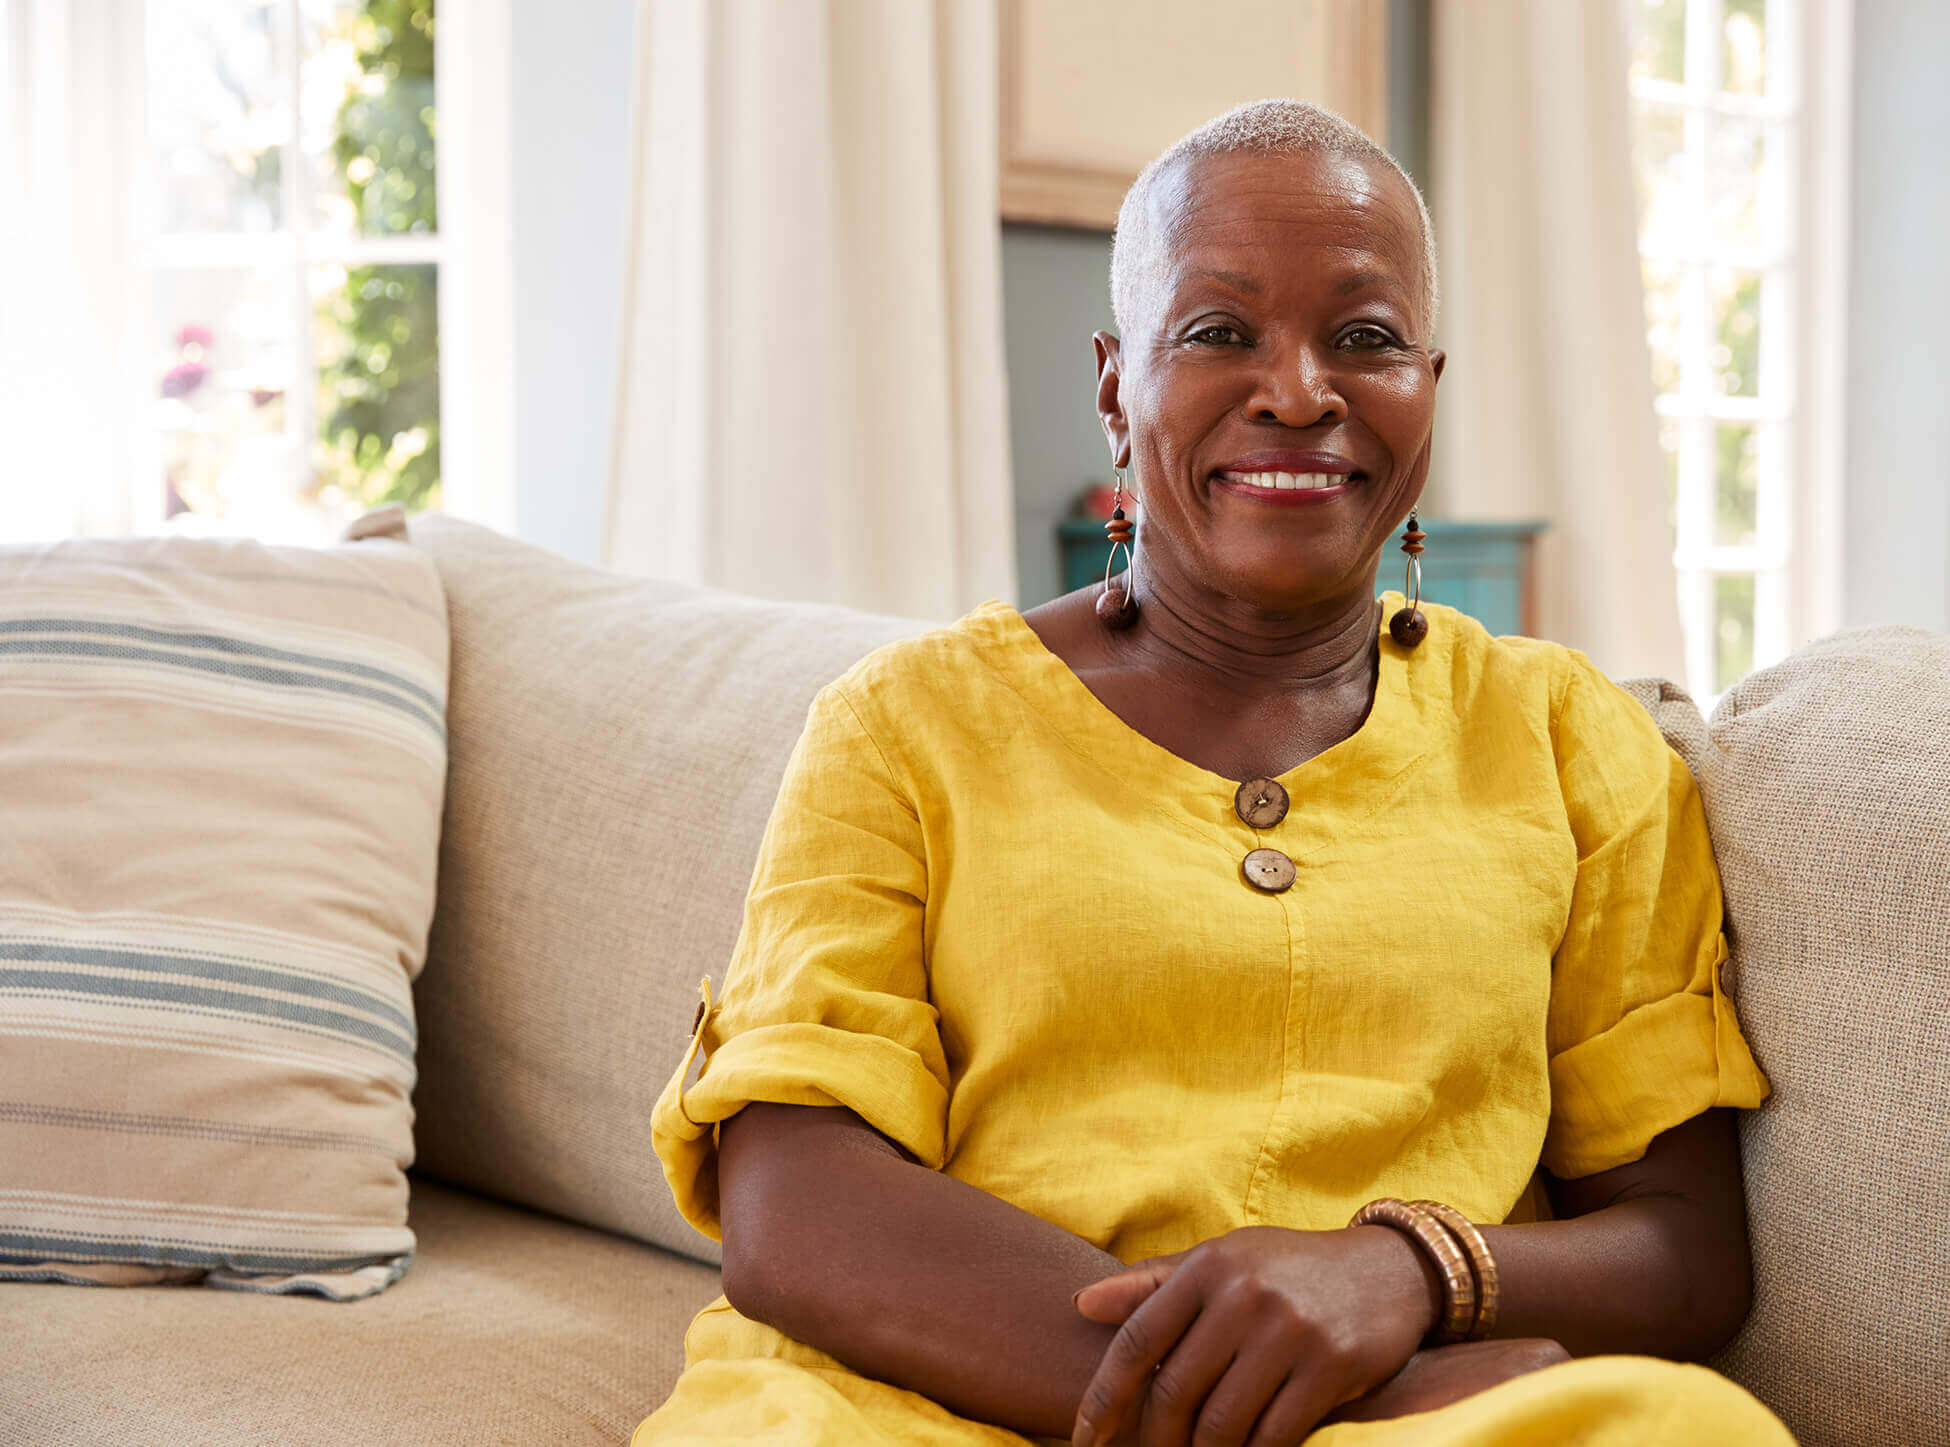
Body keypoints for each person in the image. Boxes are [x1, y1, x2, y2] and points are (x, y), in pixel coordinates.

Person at [632, 100, 1792, 1447]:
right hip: (934, 1397)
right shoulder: (906, 724)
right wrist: (1273, 1418)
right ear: (1117, 388)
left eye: (1363, 339)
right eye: (1217, 332)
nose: (1298, 391)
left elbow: (1684, 1252)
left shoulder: (1566, 738)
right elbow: (799, 1212)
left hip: (1417, 1409)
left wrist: (1407, 1272)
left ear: (1426, 386)